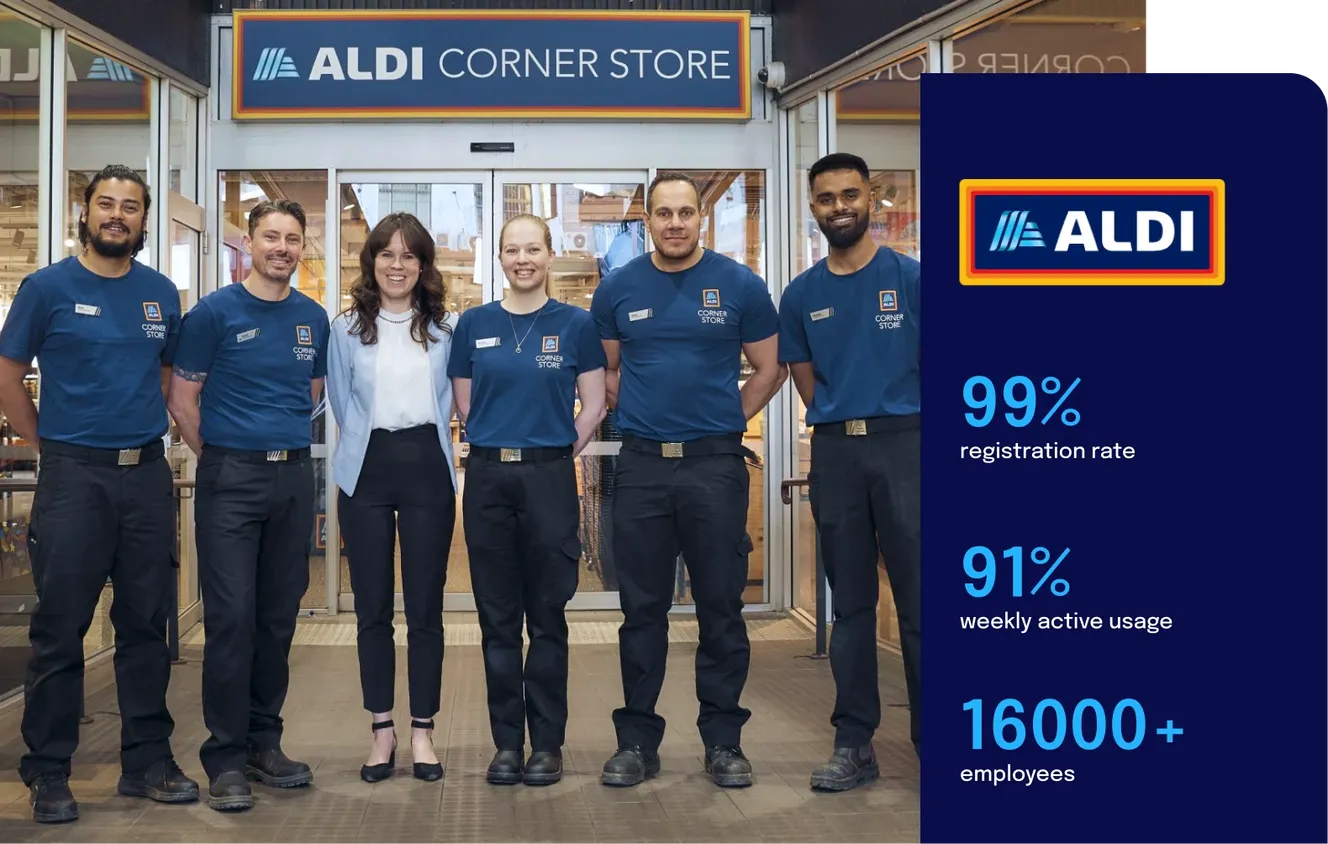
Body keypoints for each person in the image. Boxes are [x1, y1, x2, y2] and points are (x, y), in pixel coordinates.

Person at [0, 164, 200, 823]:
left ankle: (146, 762)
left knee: (146, 624)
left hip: (144, 476)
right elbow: (8, 374)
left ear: (145, 220)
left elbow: (171, 380)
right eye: (107, 204)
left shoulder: (160, 294)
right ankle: (49, 771)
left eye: (131, 206)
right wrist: (45, 444)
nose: (118, 214)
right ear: (84, 213)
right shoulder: (46, 288)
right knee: (61, 627)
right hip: (73, 479)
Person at [590, 173, 785, 789]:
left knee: (720, 609)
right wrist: (647, 411)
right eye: (662, 214)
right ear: (646, 220)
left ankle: (723, 742)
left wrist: (726, 417)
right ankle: (636, 742)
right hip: (643, 465)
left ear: (702, 216)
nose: (674, 223)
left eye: (684, 212)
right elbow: (609, 373)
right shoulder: (618, 289)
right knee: (640, 609)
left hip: (714, 467)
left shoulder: (739, 285)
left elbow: (771, 365)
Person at [167, 199, 330, 811]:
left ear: (301, 247)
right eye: (271, 237)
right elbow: (183, 400)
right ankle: (226, 756)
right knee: (232, 620)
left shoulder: (312, 318)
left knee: (276, 618)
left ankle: (266, 741)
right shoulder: (213, 314)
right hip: (230, 479)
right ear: (251, 243)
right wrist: (225, 454)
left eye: (292, 239)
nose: (282, 248)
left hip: (292, 479)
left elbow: (309, 393)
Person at [777, 152, 920, 792]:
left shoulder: (913, 280)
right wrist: (843, 421)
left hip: (909, 448)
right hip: (836, 451)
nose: (840, 206)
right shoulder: (801, 295)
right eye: (827, 197)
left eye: (850, 194)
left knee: (920, 606)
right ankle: (854, 743)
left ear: (872, 198)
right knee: (851, 606)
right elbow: (807, 381)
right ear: (813, 207)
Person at [448, 214, 607, 787]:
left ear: (550, 254)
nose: (523, 259)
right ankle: (507, 745)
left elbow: (592, 404)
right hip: (489, 480)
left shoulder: (576, 325)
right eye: (512, 249)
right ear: (498, 256)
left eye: (533, 248)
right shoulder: (474, 324)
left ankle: (548, 743)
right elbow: (466, 406)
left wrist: (559, 448)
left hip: (548, 480)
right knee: (496, 621)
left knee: (546, 619)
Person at [325, 212, 457, 784]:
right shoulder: (345, 329)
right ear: (371, 262)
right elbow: (337, 397)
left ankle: (423, 731)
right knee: (371, 610)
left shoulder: (448, 331)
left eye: (408, 255)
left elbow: (456, 399)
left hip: (428, 466)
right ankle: (382, 731)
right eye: (386, 254)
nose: (397, 265)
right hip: (366, 471)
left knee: (426, 611)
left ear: (423, 265)